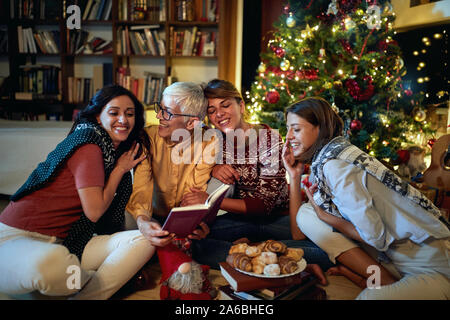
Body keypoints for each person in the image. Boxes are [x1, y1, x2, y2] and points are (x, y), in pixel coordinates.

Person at [282, 96, 450, 299]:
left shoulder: (335, 167)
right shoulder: (333, 156)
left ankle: (380, 283)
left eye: (296, 129)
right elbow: (298, 233)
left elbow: (376, 238)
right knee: (307, 213)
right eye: (288, 128)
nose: (288, 136)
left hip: (431, 267)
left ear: (319, 128)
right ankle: (382, 279)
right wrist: (294, 175)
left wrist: (329, 218)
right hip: (392, 256)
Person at [0, 85, 153, 300]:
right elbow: (95, 212)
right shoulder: (89, 145)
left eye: (130, 114)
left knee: (144, 240)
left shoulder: (114, 153)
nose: (123, 120)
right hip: (18, 239)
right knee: (55, 264)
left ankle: (85, 296)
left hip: (68, 242)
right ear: (98, 117)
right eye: (114, 112)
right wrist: (120, 170)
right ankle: (78, 283)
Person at [188, 79, 333, 278]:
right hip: (240, 219)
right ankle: (276, 258)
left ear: (241, 105)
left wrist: (209, 200)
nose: (219, 114)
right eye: (211, 111)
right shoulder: (214, 140)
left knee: (324, 252)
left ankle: (251, 250)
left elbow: (263, 205)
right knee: (196, 243)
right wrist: (215, 167)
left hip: (277, 218)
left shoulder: (268, 138)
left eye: (225, 105)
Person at [125, 81, 219, 299]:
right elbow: (142, 186)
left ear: (191, 123)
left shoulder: (209, 140)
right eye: (160, 108)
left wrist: (196, 222)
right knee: (129, 220)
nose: (158, 116)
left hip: (180, 218)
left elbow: (194, 192)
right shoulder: (147, 137)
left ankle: (174, 261)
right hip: (152, 213)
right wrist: (143, 221)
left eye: (167, 113)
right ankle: (171, 258)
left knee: (223, 190)